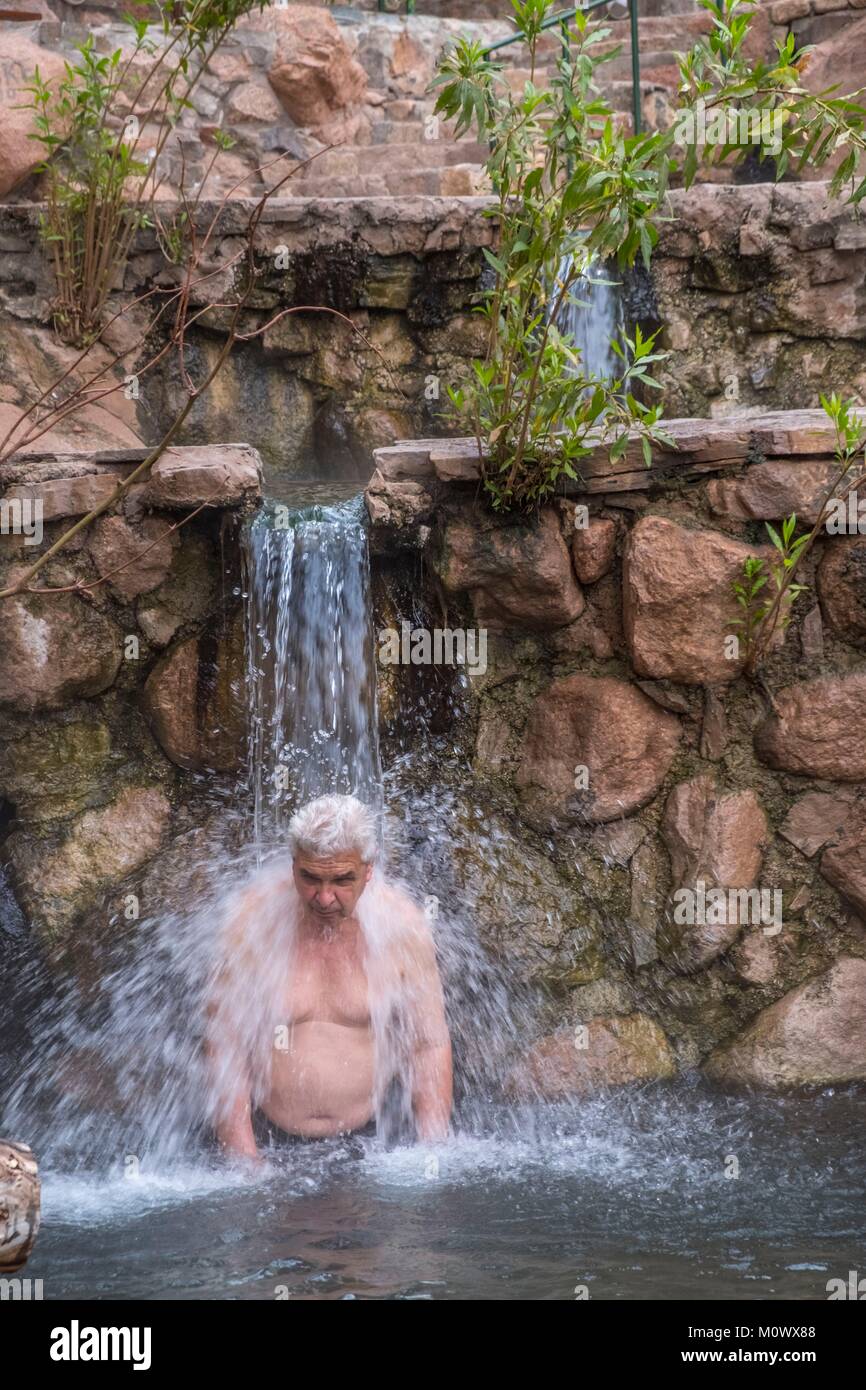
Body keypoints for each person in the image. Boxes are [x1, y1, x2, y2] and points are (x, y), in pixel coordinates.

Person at [204, 794, 452, 1161]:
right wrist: (245, 1164)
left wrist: (433, 1152)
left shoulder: (402, 927)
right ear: (294, 865)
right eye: (311, 878)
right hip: (270, 1141)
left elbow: (427, 1045)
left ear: (368, 870)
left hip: (372, 1146)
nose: (323, 898)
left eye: (341, 880)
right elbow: (225, 1048)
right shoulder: (250, 923)